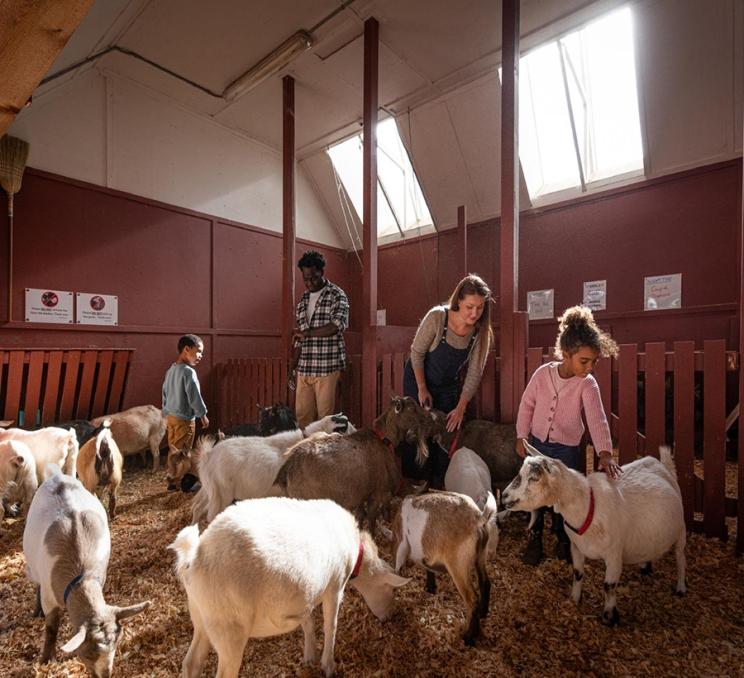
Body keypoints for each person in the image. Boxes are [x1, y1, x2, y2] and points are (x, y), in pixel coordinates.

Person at [516, 305, 622, 566]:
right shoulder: (543, 375)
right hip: (538, 446)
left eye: (594, 361)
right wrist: (521, 436)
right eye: (584, 361)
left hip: (567, 451)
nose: (590, 367)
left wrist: (605, 453)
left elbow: (597, 418)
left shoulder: (587, 384)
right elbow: (527, 403)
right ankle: (536, 537)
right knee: (535, 492)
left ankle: (565, 540)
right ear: (566, 354)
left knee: (567, 496)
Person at [402, 274, 493, 486]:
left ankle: (439, 485)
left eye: (480, 307)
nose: (474, 313)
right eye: (470, 306)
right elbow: (416, 353)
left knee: (446, 430)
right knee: (417, 429)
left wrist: (461, 406)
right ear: (458, 300)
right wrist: (422, 388)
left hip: (447, 385)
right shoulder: (437, 317)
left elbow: (474, 373)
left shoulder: (480, 332)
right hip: (418, 378)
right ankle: (414, 483)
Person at [289, 250, 349, 429]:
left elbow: (336, 326)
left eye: (313, 278)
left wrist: (307, 333)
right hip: (304, 368)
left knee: (325, 420)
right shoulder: (303, 300)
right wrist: (293, 366)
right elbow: (300, 336)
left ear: (322, 272)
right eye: (305, 279)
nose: (309, 283)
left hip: (327, 366)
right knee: (303, 418)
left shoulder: (337, 295)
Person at [162, 334, 208, 491]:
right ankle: (178, 483)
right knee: (183, 454)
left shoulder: (170, 370)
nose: (201, 356)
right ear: (187, 349)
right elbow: (194, 395)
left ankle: (171, 478)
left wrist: (166, 412)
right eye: (199, 351)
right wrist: (202, 414)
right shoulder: (188, 372)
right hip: (185, 420)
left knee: (173, 450)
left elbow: (165, 393)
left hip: (172, 418)